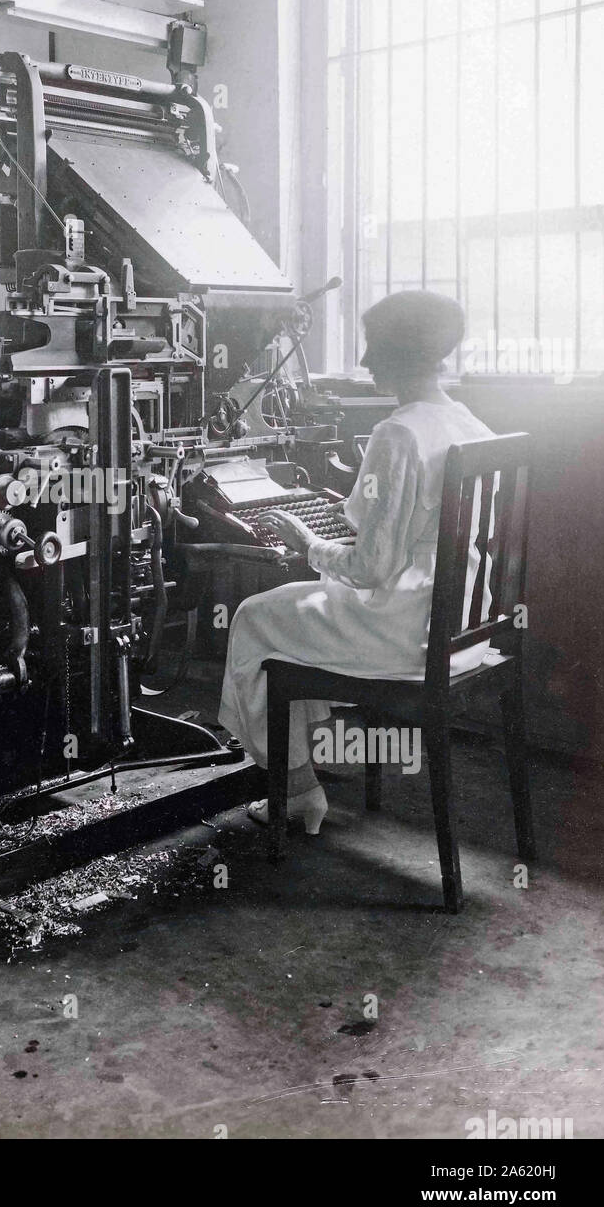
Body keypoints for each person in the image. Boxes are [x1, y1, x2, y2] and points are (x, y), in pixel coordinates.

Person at [217, 289, 496, 834]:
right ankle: (302, 780)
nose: (365, 360)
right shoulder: (466, 420)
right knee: (287, 617)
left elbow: (371, 570)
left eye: (374, 346)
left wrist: (306, 542)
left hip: (409, 633)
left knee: (254, 616)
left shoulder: (398, 432)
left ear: (401, 353)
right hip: (465, 625)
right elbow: (423, 526)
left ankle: (298, 790)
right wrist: (366, 520)